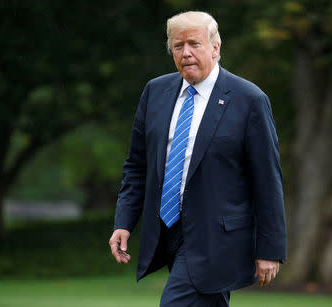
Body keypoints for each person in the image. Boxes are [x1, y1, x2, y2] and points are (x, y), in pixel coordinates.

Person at [109, 11, 287, 306]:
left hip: (217, 239)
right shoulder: (155, 92)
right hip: (168, 232)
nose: (186, 53)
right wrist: (124, 222)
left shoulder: (249, 100)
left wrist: (270, 249)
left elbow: (267, 180)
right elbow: (137, 166)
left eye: (195, 43)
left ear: (215, 47)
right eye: (178, 46)